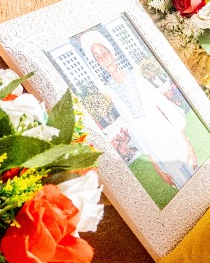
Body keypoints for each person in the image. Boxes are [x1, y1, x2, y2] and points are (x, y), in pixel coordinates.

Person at [80, 32, 198, 189]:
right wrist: (157, 166)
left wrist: (188, 144)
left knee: (196, 176)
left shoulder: (135, 75)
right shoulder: (110, 91)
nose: (103, 58)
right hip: (153, 145)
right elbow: (133, 128)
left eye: (104, 52)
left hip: (168, 133)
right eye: (97, 56)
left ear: (111, 52)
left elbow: (163, 104)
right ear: (97, 63)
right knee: (182, 185)